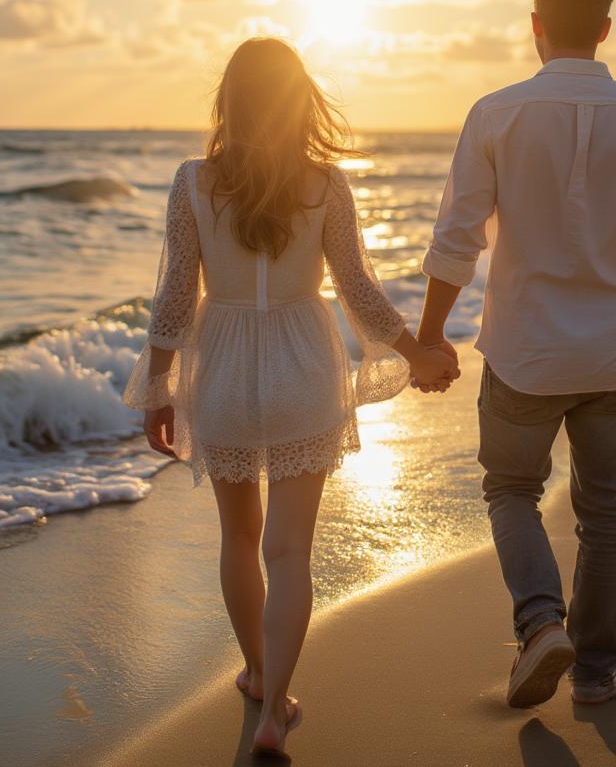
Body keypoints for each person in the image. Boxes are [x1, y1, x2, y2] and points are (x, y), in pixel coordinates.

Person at [122, 38, 458, 754]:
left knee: (238, 538)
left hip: (225, 372)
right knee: (289, 551)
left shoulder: (192, 182)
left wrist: (156, 386)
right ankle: (275, 711)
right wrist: (420, 352)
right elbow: (362, 292)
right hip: (304, 364)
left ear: (229, 102)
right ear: (299, 102)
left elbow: (176, 301)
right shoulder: (327, 184)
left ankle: (252, 669)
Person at [413, 0, 616, 709]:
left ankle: (542, 621)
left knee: (511, 488)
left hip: (524, 353)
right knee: (606, 509)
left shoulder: (495, 113)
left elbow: (457, 240)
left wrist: (429, 338)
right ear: (605, 31)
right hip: (614, 354)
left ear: (535, 28)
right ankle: (598, 674)